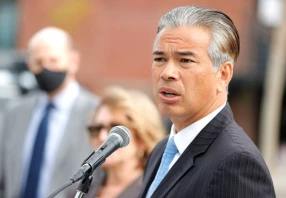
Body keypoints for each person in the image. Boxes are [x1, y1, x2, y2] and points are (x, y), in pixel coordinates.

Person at [138, 6, 276, 198]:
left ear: (223, 74)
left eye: (185, 61)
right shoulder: (161, 151)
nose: (167, 73)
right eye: (160, 58)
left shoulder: (236, 162)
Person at [0, 27, 99, 198]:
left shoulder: (96, 114)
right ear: (29, 65)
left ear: (73, 61)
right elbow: (0, 182)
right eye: (39, 62)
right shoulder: (15, 112)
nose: (46, 68)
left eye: (53, 60)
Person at [84, 86, 166, 198]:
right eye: (97, 128)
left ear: (142, 139)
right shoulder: (80, 191)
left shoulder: (157, 191)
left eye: (115, 129)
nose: (102, 137)